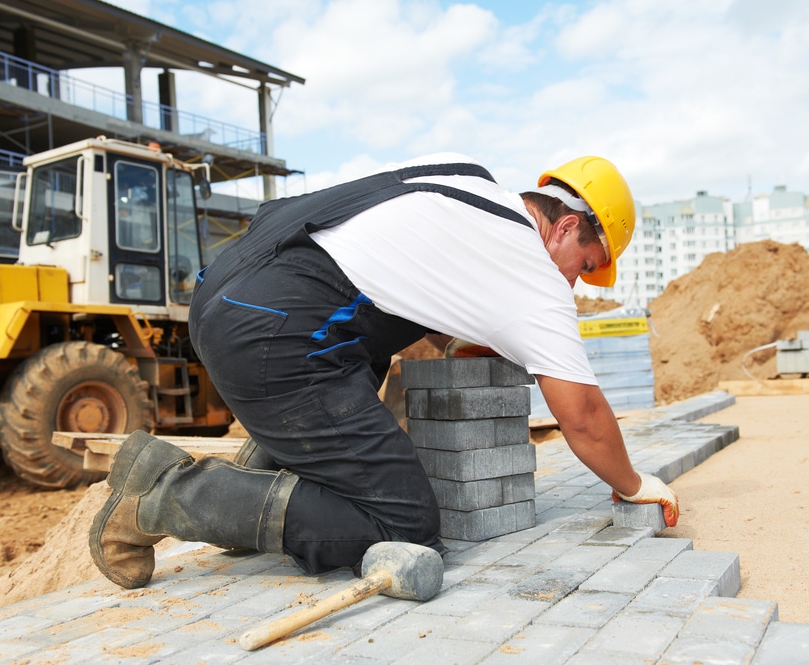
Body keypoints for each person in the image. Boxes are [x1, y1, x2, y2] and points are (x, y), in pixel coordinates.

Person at [89, 153, 680, 589]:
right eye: (586, 263)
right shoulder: (531, 267)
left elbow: (399, 267)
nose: (575, 280)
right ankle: (163, 495)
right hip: (275, 333)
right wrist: (633, 484)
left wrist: (460, 343)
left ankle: (265, 472)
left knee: (371, 347)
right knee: (404, 523)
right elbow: (582, 415)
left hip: (234, 292)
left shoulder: (466, 181)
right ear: (569, 225)